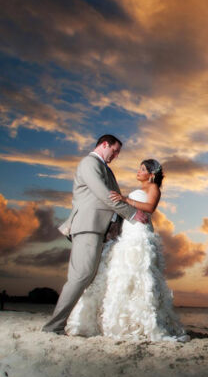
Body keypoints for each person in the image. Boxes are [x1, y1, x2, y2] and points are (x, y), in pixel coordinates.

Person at [65, 159, 189, 342]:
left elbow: (150, 208)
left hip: (140, 231)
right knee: (119, 272)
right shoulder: (141, 188)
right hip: (128, 230)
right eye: (138, 168)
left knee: (139, 273)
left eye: (142, 169)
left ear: (151, 174)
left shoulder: (153, 189)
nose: (138, 172)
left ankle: (140, 322)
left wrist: (125, 199)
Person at [42, 135, 146, 334]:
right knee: (80, 276)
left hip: (101, 229)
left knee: (88, 276)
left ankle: (81, 322)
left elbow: (116, 196)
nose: (115, 156)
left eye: (118, 153)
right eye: (114, 151)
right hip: (88, 226)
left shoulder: (106, 169)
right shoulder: (89, 163)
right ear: (104, 144)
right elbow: (104, 194)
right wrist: (133, 214)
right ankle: (53, 327)